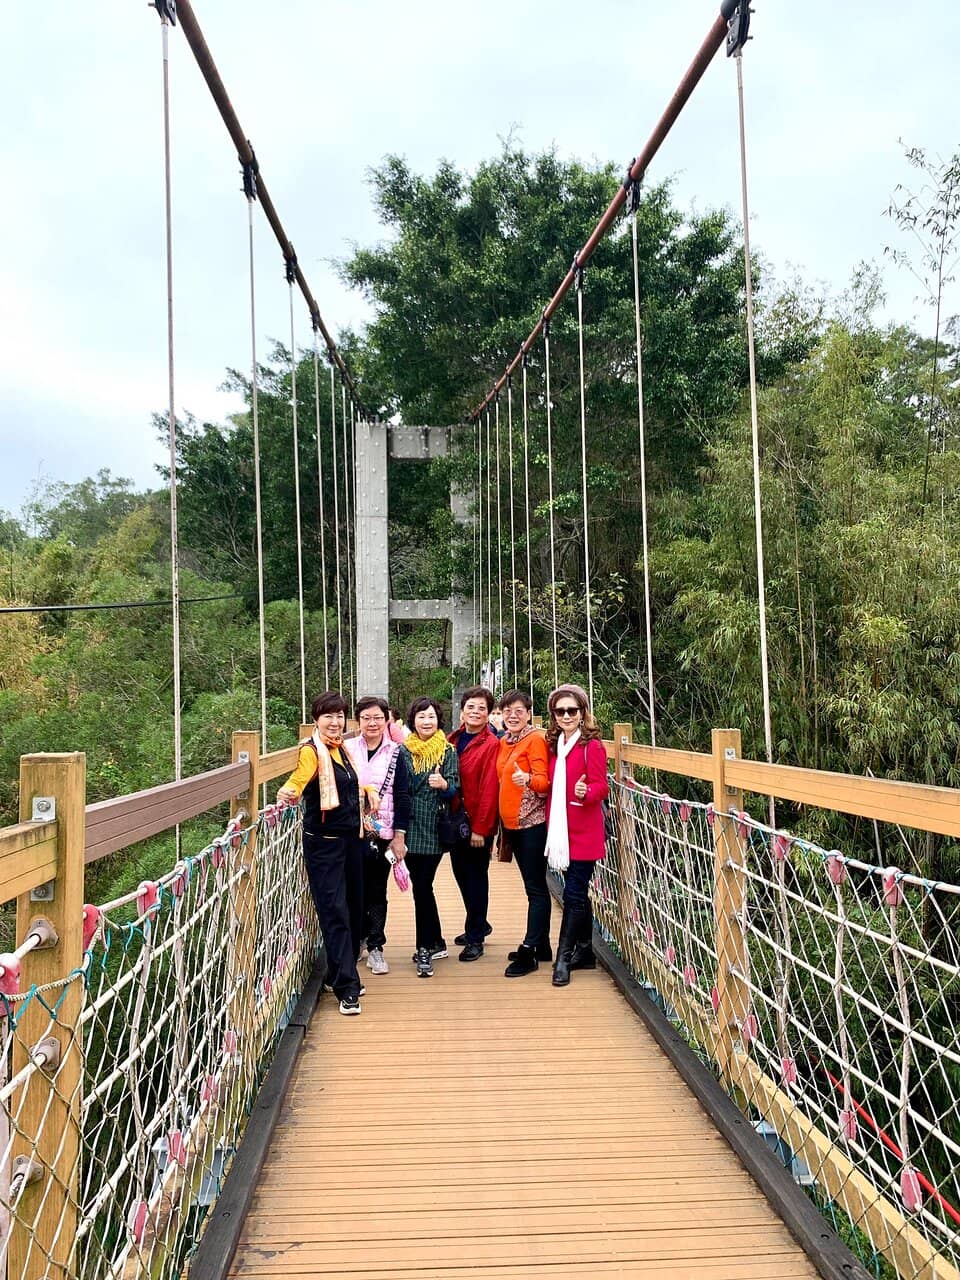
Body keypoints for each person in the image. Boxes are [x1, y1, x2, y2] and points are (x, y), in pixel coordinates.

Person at [277, 691, 365, 1015]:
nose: (335, 721)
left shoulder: (343, 750)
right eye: (328, 716)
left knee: (355, 910)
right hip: (324, 844)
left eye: (340, 715)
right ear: (316, 720)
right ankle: (347, 988)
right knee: (335, 912)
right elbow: (300, 777)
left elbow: (351, 786)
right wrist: (290, 790)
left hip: (351, 841)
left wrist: (369, 792)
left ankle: (341, 972)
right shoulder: (312, 752)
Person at [544, 683, 609, 988]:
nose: (566, 715)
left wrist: (587, 791)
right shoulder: (554, 744)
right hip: (561, 831)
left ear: (583, 713)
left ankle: (563, 958)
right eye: (560, 711)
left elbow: (601, 787)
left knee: (572, 893)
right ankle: (584, 951)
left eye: (572, 710)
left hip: (584, 831)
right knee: (578, 892)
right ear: (554, 715)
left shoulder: (591, 746)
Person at [344, 695, 410, 976]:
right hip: (351, 830)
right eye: (366, 718)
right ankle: (356, 941)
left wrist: (399, 837)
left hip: (382, 831)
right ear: (357, 721)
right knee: (352, 888)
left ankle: (376, 946)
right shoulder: (345, 749)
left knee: (376, 889)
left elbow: (403, 796)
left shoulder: (397, 752)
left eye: (378, 718)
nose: (372, 723)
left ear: (387, 721)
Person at [399, 697, 460, 978]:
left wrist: (444, 784)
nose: (427, 721)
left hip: (433, 827)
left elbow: (454, 788)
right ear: (413, 720)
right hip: (407, 827)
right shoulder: (402, 751)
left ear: (439, 721)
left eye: (432, 716)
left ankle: (425, 947)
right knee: (423, 887)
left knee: (422, 886)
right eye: (422, 716)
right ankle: (435, 941)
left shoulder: (447, 751)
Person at [496, 689, 551, 977]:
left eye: (519, 710)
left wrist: (527, 778)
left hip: (532, 825)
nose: (513, 715)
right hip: (512, 826)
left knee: (536, 889)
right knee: (533, 885)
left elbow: (544, 782)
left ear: (529, 714)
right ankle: (542, 945)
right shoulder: (505, 741)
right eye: (507, 711)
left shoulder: (536, 740)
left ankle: (529, 951)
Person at [447, 686, 501, 961]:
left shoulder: (491, 744)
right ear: (462, 710)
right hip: (457, 820)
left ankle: (476, 937)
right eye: (471, 706)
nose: (476, 711)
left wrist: (482, 828)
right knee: (461, 874)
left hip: (477, 823)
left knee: (476, 877)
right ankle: (478, 922)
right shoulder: (453, 739)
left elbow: (490, 788)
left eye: (482, 708)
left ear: (489, 713)